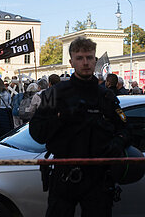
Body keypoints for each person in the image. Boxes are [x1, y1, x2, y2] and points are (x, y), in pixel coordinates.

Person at [29, 37, 130, 217]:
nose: (85, 63)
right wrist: (60, 118)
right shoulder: (56, 94)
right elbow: (37, 132)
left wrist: (117, 143)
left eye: (89, 58)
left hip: (98, 175)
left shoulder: (105, 96)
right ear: (71, 62)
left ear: (95, 60)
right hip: (64, 173)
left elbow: (124, 128)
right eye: (80, 58)